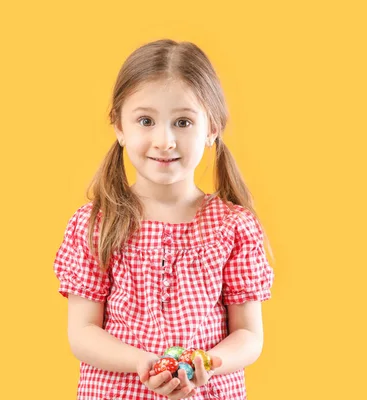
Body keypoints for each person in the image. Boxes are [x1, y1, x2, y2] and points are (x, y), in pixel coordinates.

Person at [53, 38, 275, 400]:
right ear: (119, 127)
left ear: (212, 129)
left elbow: (249, 336)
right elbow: (82, 333)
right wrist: (143, 363)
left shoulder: (234, 227)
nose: (165, 140)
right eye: (145, 120)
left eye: (183, 122)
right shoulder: (95, 224)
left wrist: (207, 362)